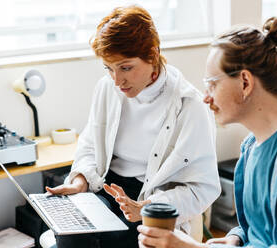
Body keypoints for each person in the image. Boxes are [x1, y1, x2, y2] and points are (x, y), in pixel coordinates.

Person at [137, 17, 277, 248]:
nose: (206, 97)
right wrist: (237, 237)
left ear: (245, 82)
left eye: (212, 84)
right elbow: (257, 228)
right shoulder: (251, 147)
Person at [45, 5, 221, 248]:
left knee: (112, 241)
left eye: (126, 67)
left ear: (153, 54)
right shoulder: (107, 87)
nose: (117, 80)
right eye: (109, 68)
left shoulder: (191, 106)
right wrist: (80, 180)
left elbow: (204, 189)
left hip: (151, 203)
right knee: (69, 236)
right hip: (105, 187)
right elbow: (89, 145)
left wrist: (146, 209)